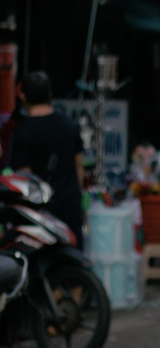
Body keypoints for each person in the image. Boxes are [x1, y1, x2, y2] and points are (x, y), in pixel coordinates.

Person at [9, 71, 86, 249]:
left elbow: (24, 177)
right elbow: (79, 166)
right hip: (70, 208)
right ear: (50, 95)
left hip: (40, 215)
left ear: (24, 96)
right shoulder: (69, 125)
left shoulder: (23, 132)